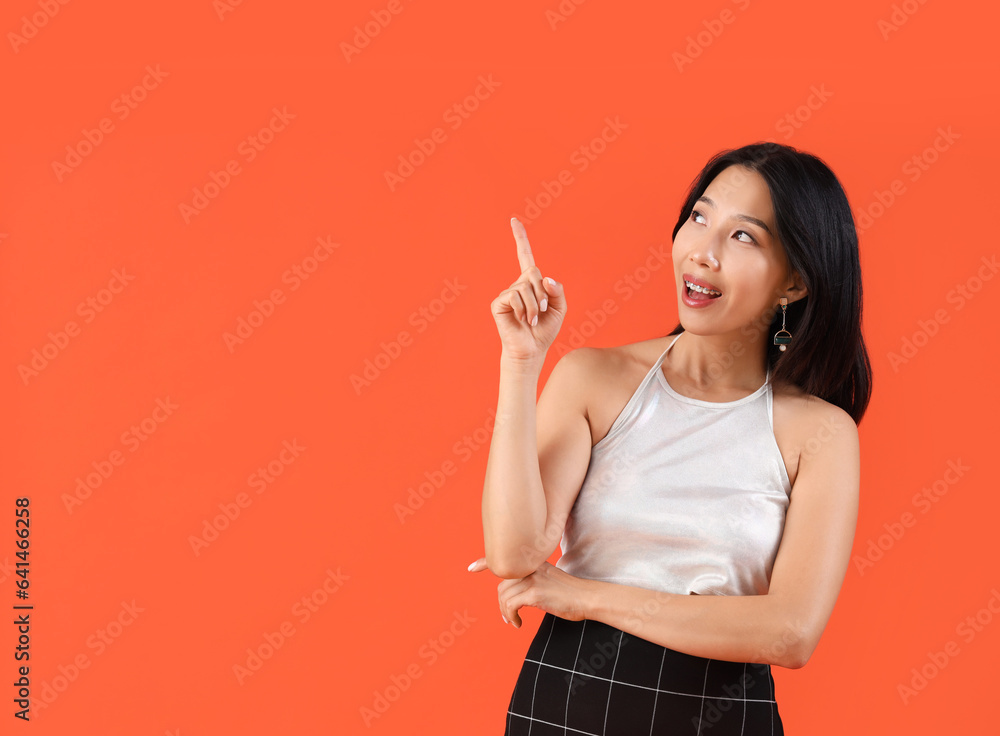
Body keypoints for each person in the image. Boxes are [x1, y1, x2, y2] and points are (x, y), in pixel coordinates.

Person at [468, 141, 871, 734]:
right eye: (700, 218)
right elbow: (514, 553)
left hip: (719, 714)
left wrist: (584, 597)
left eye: (743, 237)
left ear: (795, 284)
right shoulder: (593, 378)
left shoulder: (819, 433)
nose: (702, 252)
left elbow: (790, 633)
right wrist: (521, 362)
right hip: (568, 701)